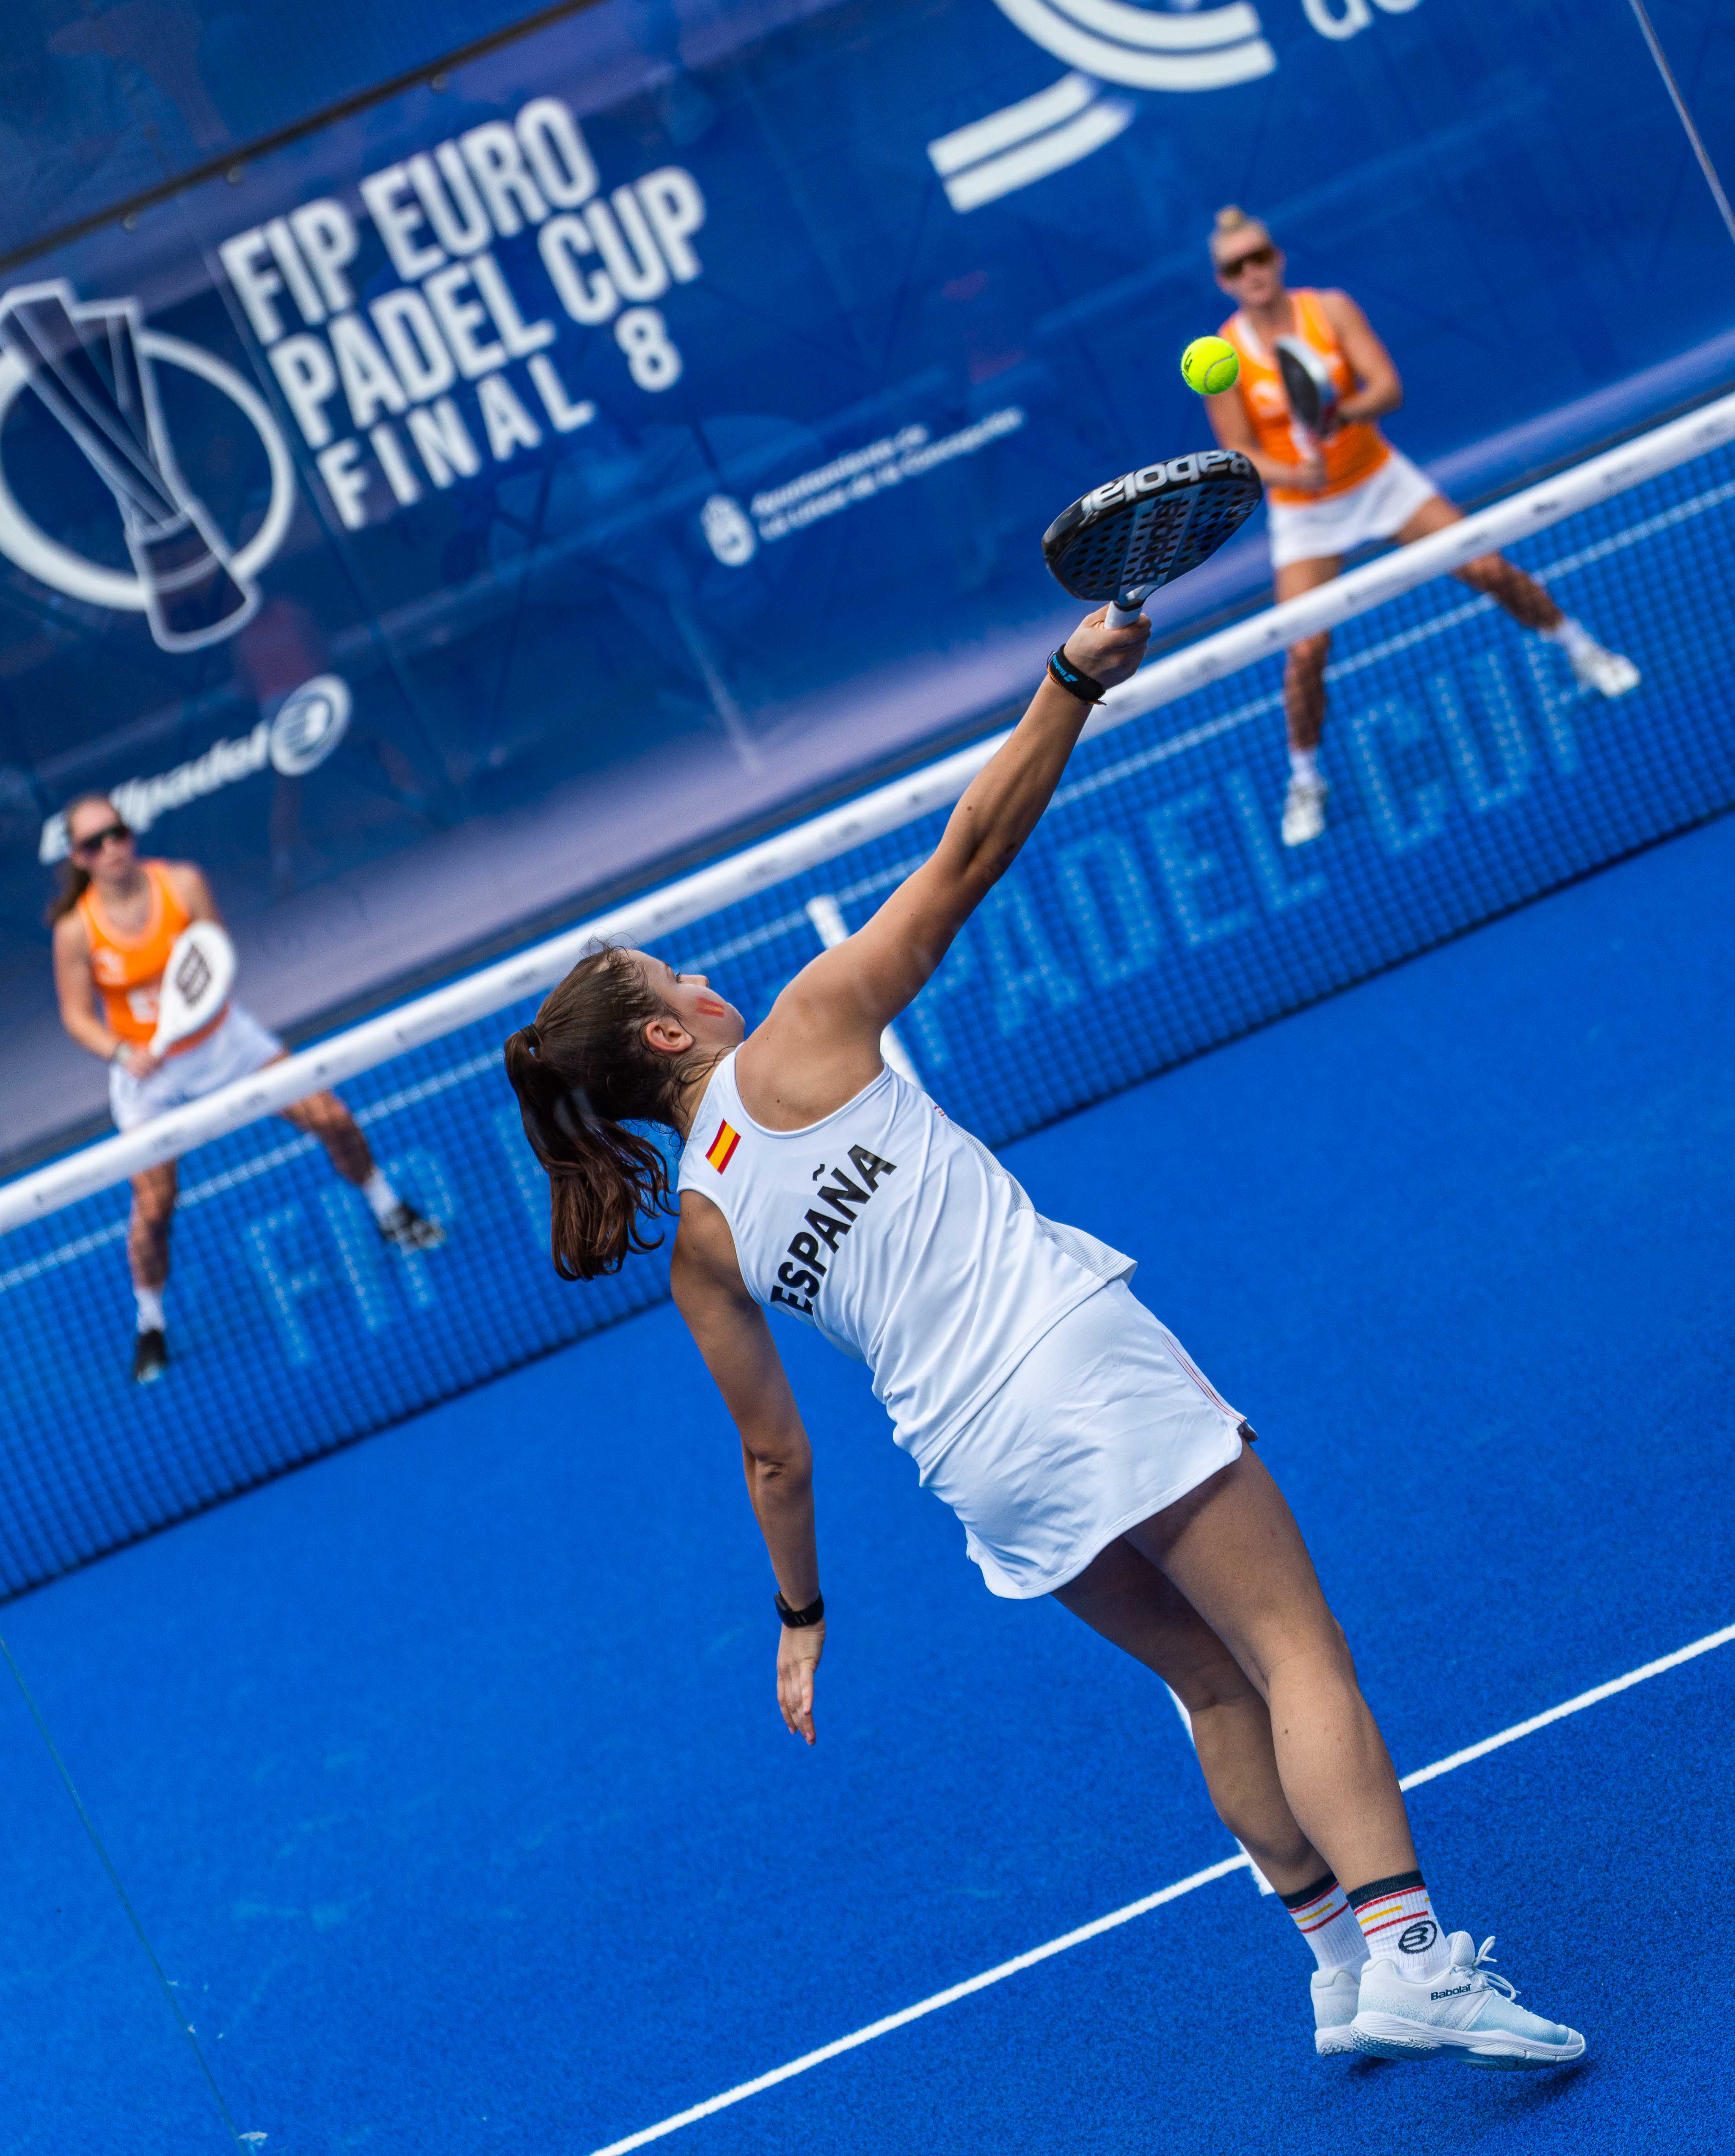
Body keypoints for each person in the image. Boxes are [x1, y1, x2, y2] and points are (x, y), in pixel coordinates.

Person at [503, 608, 1587, 2069]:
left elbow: (774, 1459)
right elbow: (967, 857)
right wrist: (1071, 682)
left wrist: (803, 1620)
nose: (703, 978)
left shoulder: (699, 1235)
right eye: (675, 978)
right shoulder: (804, 1029)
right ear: (666, 1038)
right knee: (1292, 1648)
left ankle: (1337, 1968)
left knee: (1207, 1683)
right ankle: (1413, 1959)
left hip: (979, 1470)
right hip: (1078, 1365)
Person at [1202, 206, 1641, 849]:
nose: (1252, 272)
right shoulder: (1223, 358)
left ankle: (1582, 649)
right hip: (1306, 513)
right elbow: (1241, 452)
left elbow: (1388, 388)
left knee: (1489, 569)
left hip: (1380, 480)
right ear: (1225, 281)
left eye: (1260, 256)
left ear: (1278, 258)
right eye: (1237, 266)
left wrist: (1342, 413)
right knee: (1304, 652)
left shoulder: (1330, 309)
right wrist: (1295, 474)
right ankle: (1305, 779)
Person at [49, 794, 444, 1384]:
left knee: (332, 1118)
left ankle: (390, 1211)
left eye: (118, 832)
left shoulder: (182, 884)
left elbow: (213, 960)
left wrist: (183, 1023)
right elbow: (78, 1017)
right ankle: (150, 1323)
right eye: (94, 843)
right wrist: (123, 1053)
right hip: (148, 1077)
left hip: (223, 1042)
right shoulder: (76, 931)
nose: (111, 848)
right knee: (154, 1207)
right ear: (79, 857)